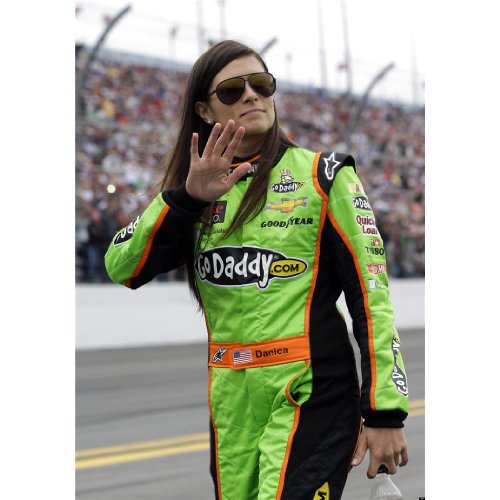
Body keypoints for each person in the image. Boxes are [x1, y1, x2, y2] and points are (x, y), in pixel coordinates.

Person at [105, 40, 409, 500]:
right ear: (204, 111)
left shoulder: (325, 175)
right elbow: (121, 266)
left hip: (311, 390)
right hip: (231, 398)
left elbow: (372, 297)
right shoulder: (193, 194)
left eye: (261, 84)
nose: (251, 95)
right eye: (232, 90)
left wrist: (384, 411)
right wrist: (186, 199)